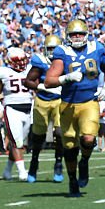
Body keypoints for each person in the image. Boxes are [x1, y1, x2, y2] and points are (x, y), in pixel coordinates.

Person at [44, 20, 105, 197]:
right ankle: (72, 181)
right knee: (69, 147)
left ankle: (84, 161)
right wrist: (66, 78)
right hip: (68, 104)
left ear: (86, 35)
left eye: (80, 34)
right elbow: (49, 80)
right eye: (74, 34)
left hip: (89, 102)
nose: (77, 37)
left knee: (89, 139)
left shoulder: (96, 48)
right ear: (67, 36)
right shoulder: (62, 52)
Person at [23, 35, 64, 183]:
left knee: (60, 133)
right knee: (38, 136)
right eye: (50, 49)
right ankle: (34, 163)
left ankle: (58, 162)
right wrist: (41, 86)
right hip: (43, 100)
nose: (52, 52)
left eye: (55, 49)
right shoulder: (40, 62)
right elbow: (27, 81)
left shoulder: (65, 61)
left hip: (60, 100)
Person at [0, 47, 33, 181]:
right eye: (18, 60)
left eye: (23, 59)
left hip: (27, 109)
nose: (22, 63)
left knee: (19, 143)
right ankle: (22, 172)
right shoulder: (4, 72)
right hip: (12, 109)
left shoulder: (30, 70)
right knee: (17, 142)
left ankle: (7, 170)